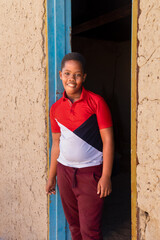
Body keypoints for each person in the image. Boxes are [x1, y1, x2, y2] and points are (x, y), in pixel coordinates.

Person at [46, 52, 114, 240]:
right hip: (65, 172)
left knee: (89, 231)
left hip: (90, 174)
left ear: (83, 77)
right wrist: (52, 176)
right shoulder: (56, 109)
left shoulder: (96, 103)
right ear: (60, 75)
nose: (71, 79)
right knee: (74, 227)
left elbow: (108, 140)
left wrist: (106, 176)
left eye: (77, 74)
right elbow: (56, 143)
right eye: (67, 73)